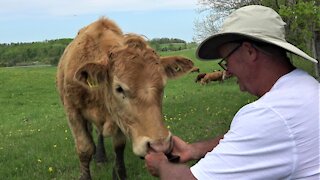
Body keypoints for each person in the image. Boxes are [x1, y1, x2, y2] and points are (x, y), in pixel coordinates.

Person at [145, 5, 320, 179]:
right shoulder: (305, 87)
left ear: (249, 51)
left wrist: (161, 164)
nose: (227, 71)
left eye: (227, 61)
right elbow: (253, 139)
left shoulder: (272, 114)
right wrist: (193, 150)